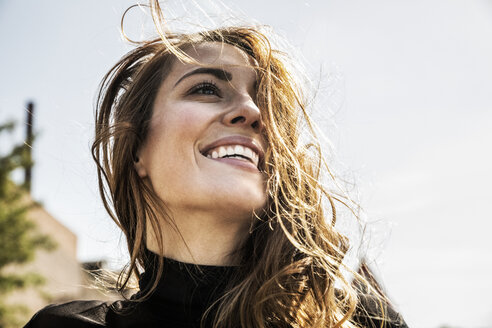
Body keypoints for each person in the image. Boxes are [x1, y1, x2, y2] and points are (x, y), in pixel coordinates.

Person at [25, 2, 408, 327]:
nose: (251, 110)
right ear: (138, 149)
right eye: (206, 88)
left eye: (263, 100)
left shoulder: (360, 319)